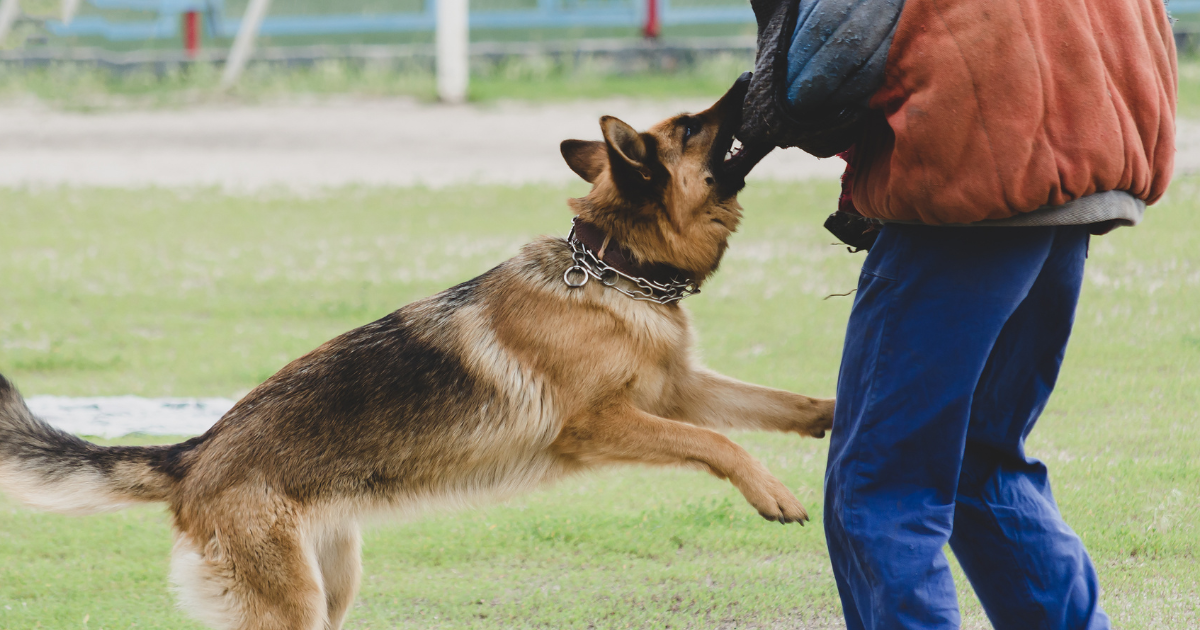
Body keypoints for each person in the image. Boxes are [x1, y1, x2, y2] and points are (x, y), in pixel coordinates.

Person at [738, 1, 1177, 628]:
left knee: (879, 483)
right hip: (1081, 165)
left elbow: (815, 75)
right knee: (981, 459)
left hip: (973, 177)